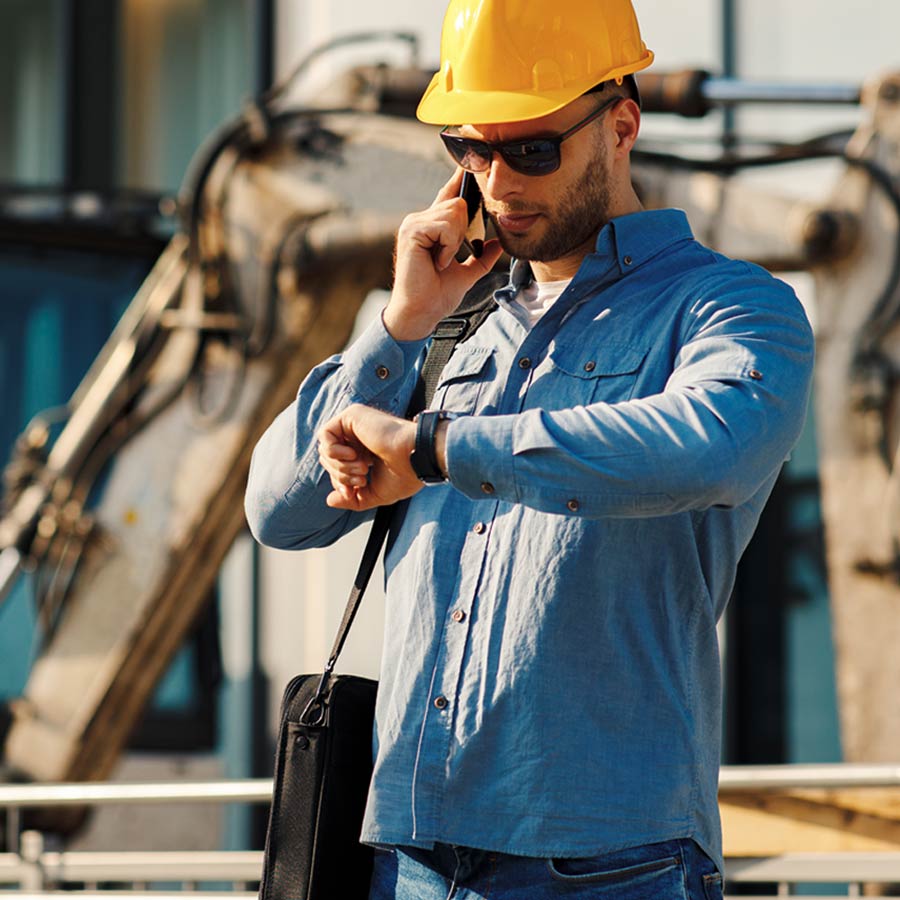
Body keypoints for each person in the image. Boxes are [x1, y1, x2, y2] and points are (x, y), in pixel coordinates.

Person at [244, 0, 815, 897]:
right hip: (410, 859)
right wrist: (400, 324)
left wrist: (435, 446)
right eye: (470, 150)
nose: (498, 180)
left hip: (606, 863)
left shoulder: (732, 309)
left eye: (532, 150)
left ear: (620, 125)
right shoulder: (437, 327)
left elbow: (712, 446)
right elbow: (278, 510)